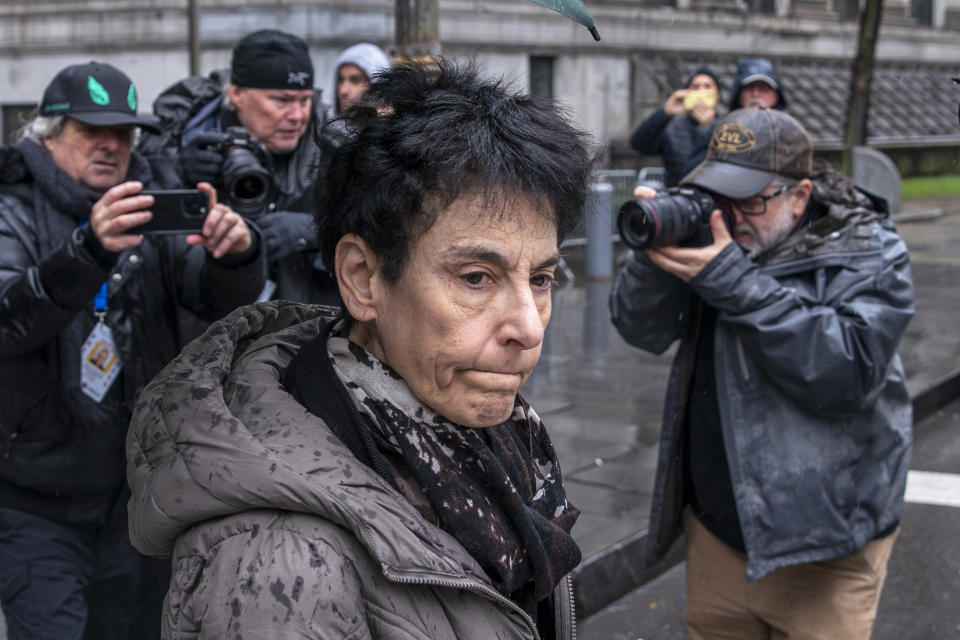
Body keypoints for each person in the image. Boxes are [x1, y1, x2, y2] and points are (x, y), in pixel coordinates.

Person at [126, 58, 590, 639]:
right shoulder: (281, 566)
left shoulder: (498, 441)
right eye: (476, 277)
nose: (529, 325)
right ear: (363, 279)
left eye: (541, 279)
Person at [610, 108, 914, 639]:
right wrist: (651, 258)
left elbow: (849, 371)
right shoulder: (717, 242)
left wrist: (737, 283)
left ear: (798, 197)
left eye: (749, 200)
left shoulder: (870, 250)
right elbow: (639, 329)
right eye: (717, 196)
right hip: (718, 536)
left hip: (826, 550)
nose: (730, 217)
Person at [0, 61, 264, 640]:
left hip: (138, 497)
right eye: (91, 131)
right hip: (36, 500)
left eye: (122, 132)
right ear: (49, 133)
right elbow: (9, 319)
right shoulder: (12, 206)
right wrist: (88, 248)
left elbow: (210, 299)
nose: (110, 145)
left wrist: (237, 255)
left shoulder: (156, 202)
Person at [142, 29, 341, 307]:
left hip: (305, 320)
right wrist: (177, 168)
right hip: (207, 321)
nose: (297, 116)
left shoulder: (334, 142)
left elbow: (385, 222)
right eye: (281, 100)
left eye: (305, 100)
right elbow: (142, 215)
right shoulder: (182, 133)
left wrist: (312, 230)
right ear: (236, 93)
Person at [630, 66, 722, 187]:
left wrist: (708, 127)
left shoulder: (727, 124)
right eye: (696, 87)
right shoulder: (674, 126)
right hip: (677, 195)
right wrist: (664, 112)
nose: (701, 91)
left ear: (717, 94)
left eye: (707, 86)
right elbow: (639, 144)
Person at [333, 42, 392, 113]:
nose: (343, 90)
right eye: (340, 80)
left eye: (355, 80)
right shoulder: (325, 122)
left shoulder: (403, 123)